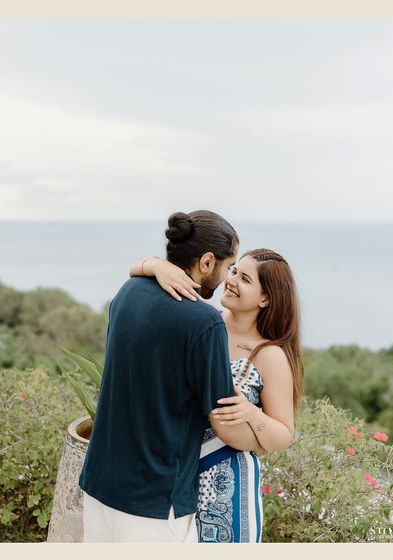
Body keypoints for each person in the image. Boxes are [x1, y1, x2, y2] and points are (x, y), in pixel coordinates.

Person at [79, 210, 264, 543]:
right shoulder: (204, 321)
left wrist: (149, 265)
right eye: (227, 265)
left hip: (99, 484)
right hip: (153, 500)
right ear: (207, 261)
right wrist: (267, 438)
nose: (225, 277)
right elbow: (222, 418)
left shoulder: (128, 292)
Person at [129, 247, 304, 542]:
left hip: (225, 488)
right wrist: (155, 265)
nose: (231, 280)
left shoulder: (269, 354)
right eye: (234, 271)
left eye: (245, 279)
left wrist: (252, 414)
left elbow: (284, 435)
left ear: (265, 298)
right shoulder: (202, 322)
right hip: (170, 475)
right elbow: (137, 272)